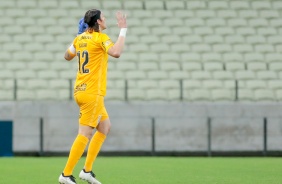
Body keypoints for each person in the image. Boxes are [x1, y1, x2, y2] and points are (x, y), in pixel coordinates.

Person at [58, 9, 127, 184]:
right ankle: (65, 175)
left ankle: (86, 171)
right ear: (97, 22)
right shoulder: (101, 38)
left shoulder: (79, 38)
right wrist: (123, 29)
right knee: (84, 134)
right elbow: (116, 52)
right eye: (103, 17)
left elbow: (67, 56)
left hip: (80, 90)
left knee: (104, 127)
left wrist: (79, 36)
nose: (105, 19)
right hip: (92, 93)